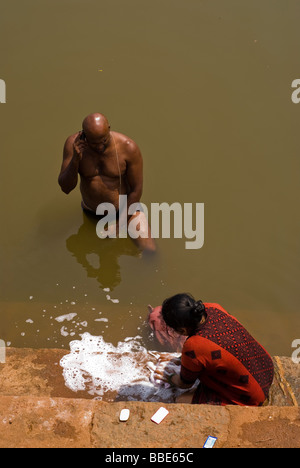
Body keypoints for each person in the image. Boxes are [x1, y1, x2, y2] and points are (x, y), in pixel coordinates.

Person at [149, 294, 274, 406]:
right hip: (267, 370)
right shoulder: (213, 307)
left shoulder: (193, 346)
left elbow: (185, 383)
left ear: (182, 330)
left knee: (181, 400)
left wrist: (169, 377)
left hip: (251, 396)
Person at [58, 113, 156, 252]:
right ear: (83, 135)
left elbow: (136, 190)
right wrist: (75, 160)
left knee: (149, 250)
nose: (99, 147)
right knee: (99, 255)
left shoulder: (128, 148)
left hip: (125, 211)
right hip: (91, 213)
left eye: (103, 141)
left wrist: (120, 224)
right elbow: (65, 188)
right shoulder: (73, 145)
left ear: (109, 129)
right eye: (94, 143)